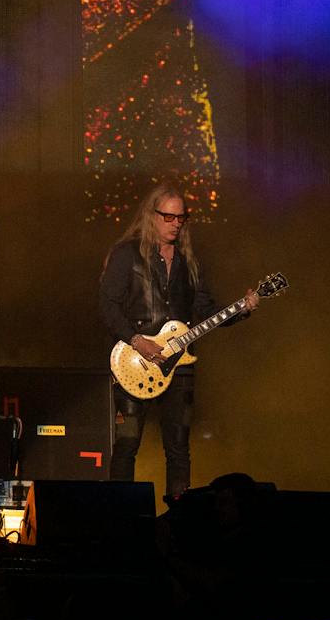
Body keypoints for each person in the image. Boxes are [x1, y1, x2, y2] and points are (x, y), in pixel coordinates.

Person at [97, 183, 258, 504]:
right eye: (168, 217)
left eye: (180, 218)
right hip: (133, 360)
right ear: (151, 215)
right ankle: (119, 516)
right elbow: (107, 305)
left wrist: (242, 310)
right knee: (127, 445)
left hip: (180, 364)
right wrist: (135, 339)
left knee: (179, 449)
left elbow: (207, 311)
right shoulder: (126, 254)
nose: (175, 224)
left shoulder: (189, 261)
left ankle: (179, 520)